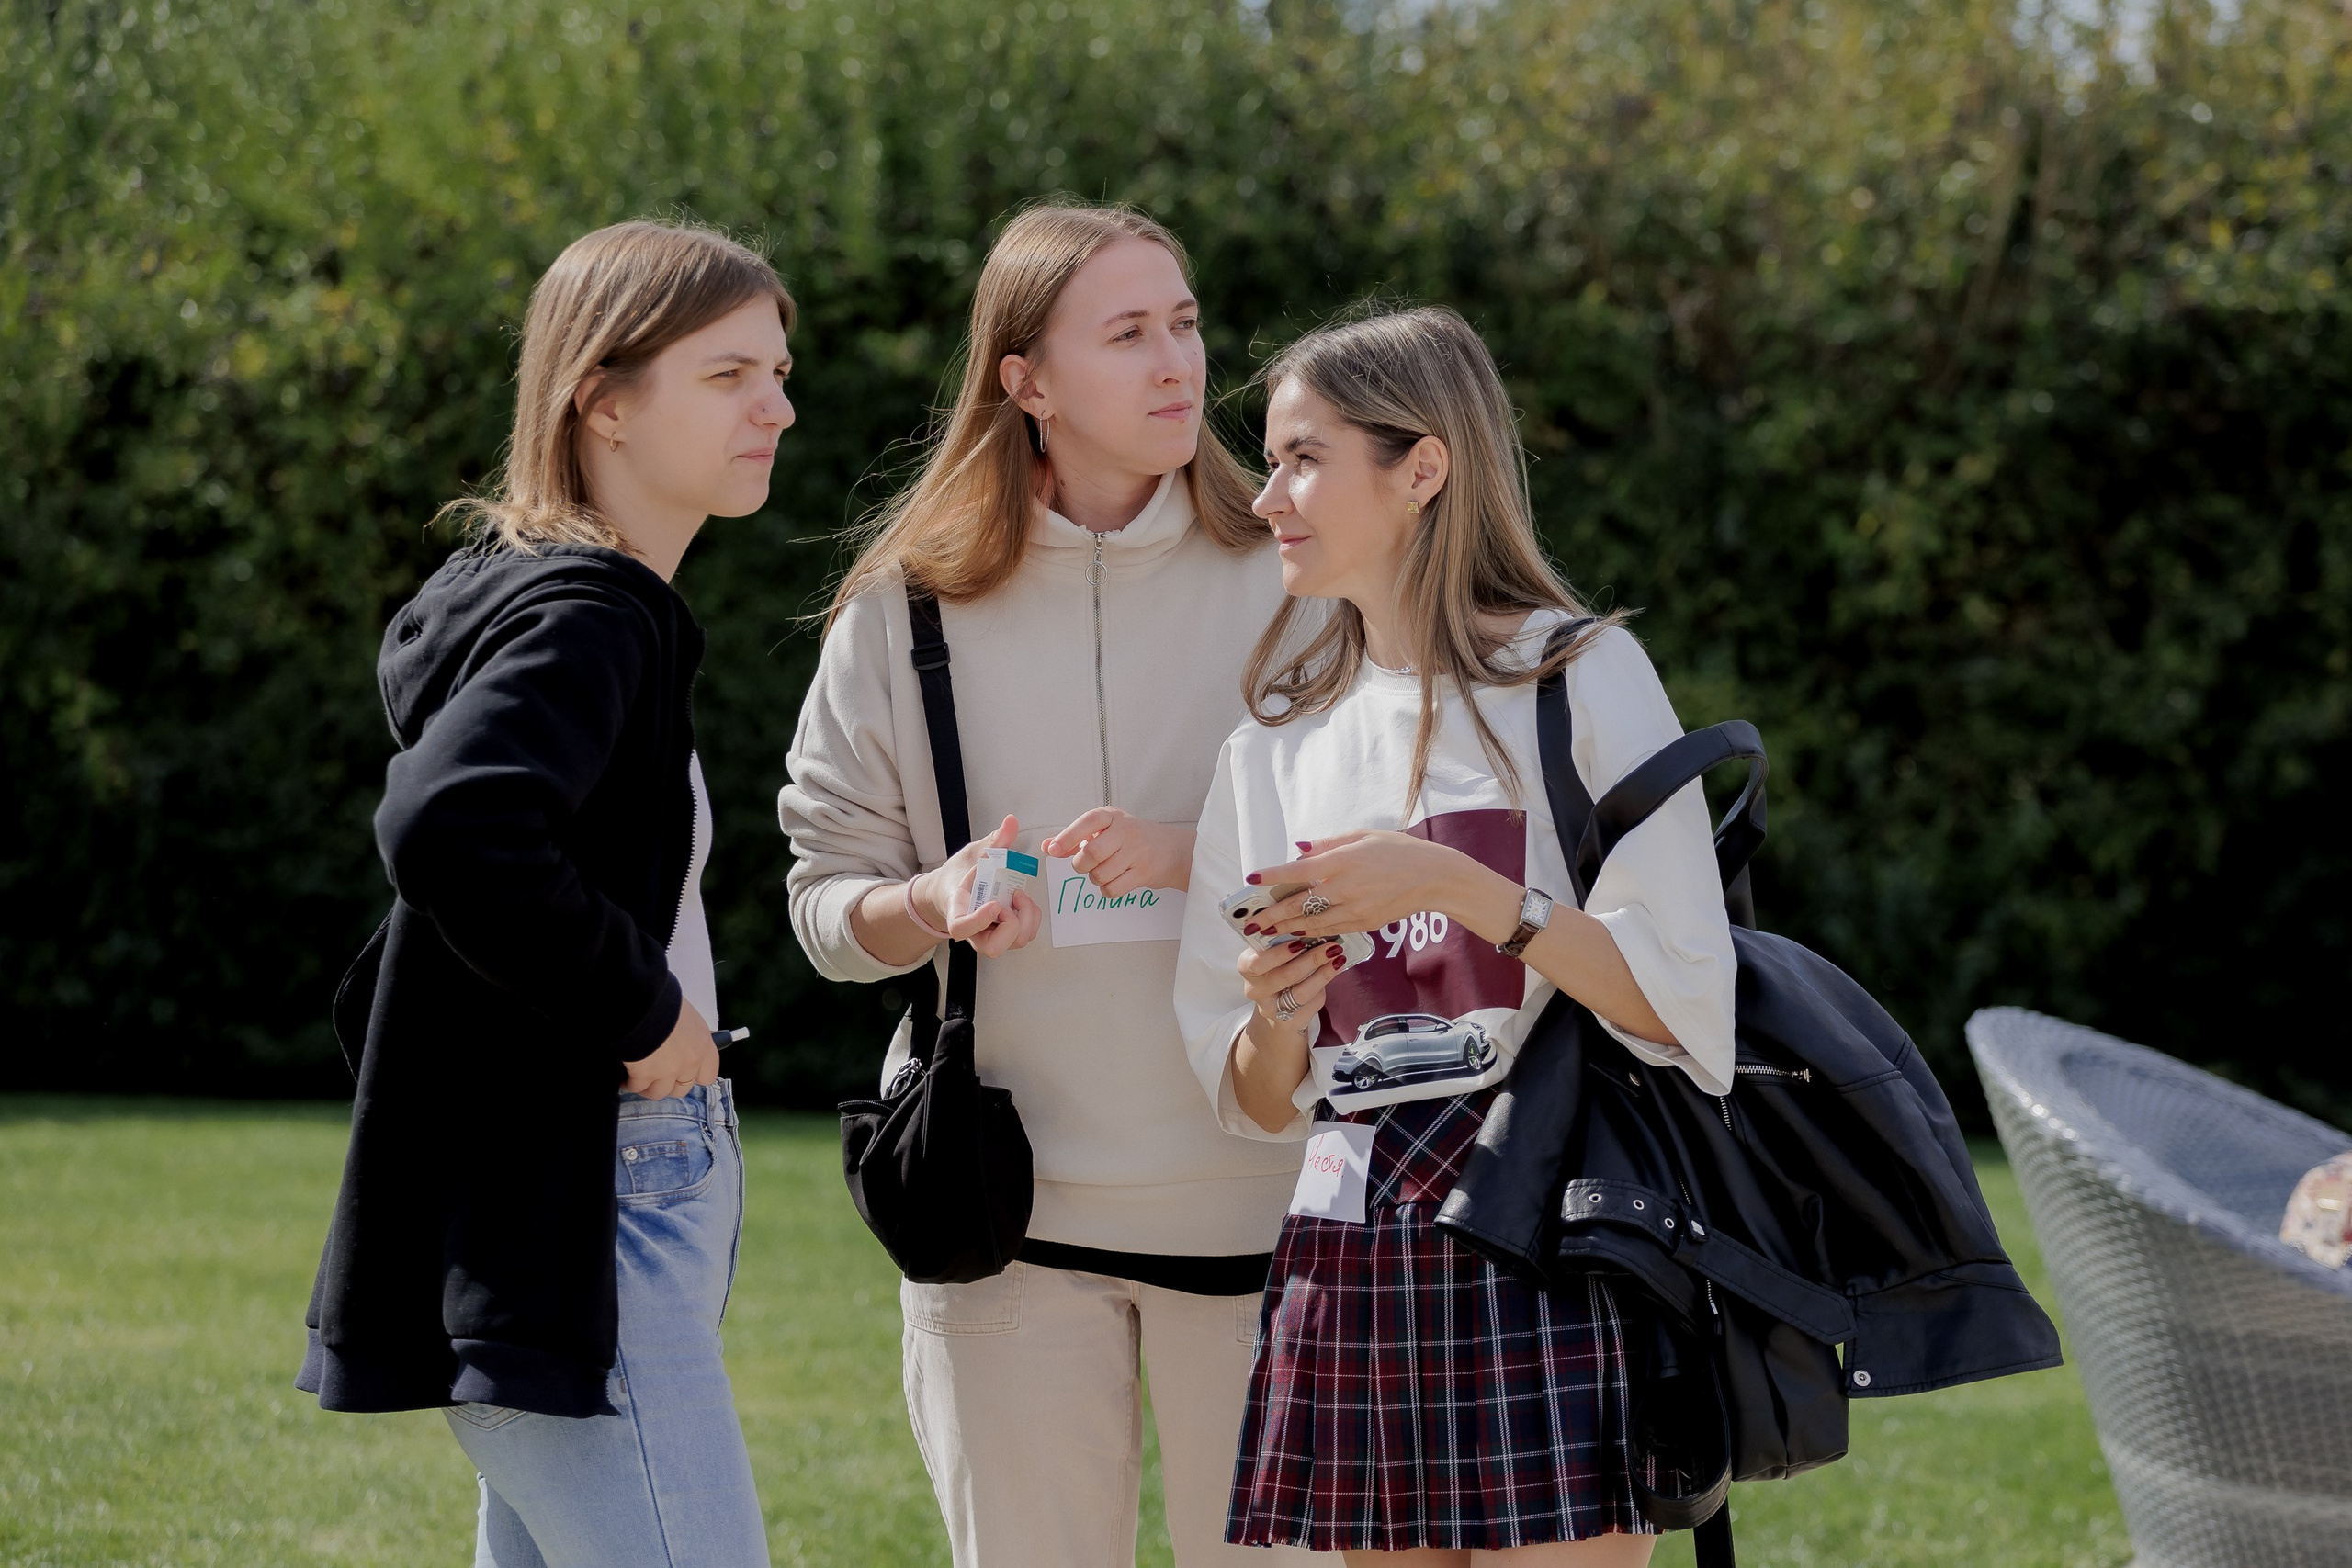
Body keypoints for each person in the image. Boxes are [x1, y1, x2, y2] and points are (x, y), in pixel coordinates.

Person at [777, 202, 1319, 1567]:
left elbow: (1398, 844)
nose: (1177, 363)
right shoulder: (901, 611)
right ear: (1025, 382)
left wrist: (1195, 852)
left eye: (1186, 324)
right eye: (1127, 332)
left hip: (1269, 1203)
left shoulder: (1304, 578)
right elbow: (823, 903)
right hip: (999, 1219)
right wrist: (929, 903)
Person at [1173, 305, 1739, 1564]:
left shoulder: (1579, 679)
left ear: (1421, 467)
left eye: (1303, 457)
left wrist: (1468, 889)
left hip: (1552, 1223)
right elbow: (1263, 1095)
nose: (1268, 497)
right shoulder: (1269, 754)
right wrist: (1276, 1009)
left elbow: (1681, 1003)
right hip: (1351, 1237)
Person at [295, 219, 796, 1568]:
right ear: (605, 400)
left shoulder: (540, 597)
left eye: (780, 373)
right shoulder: (590, 614)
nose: (777, 407)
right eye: (729, 374)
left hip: (573, 1198)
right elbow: (454, 824)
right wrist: (645, 1012)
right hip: (587, 1205)